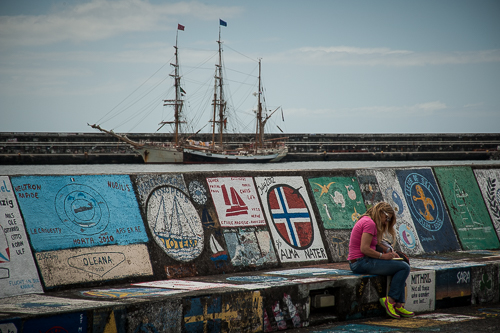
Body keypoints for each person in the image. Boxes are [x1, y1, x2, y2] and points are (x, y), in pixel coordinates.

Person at [347, 202, 413, 319]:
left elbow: (376, 243)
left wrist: (390, 252)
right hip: (361, 262)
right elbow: (364, 248)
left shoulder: (368, 220)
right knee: (403, 267)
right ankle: (391, 300)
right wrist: (383, 256)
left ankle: (398, 304)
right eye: (386, 219)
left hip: (363, 261)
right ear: (381, 212)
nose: (386, 222)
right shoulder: (369, 223)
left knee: (401, 264)